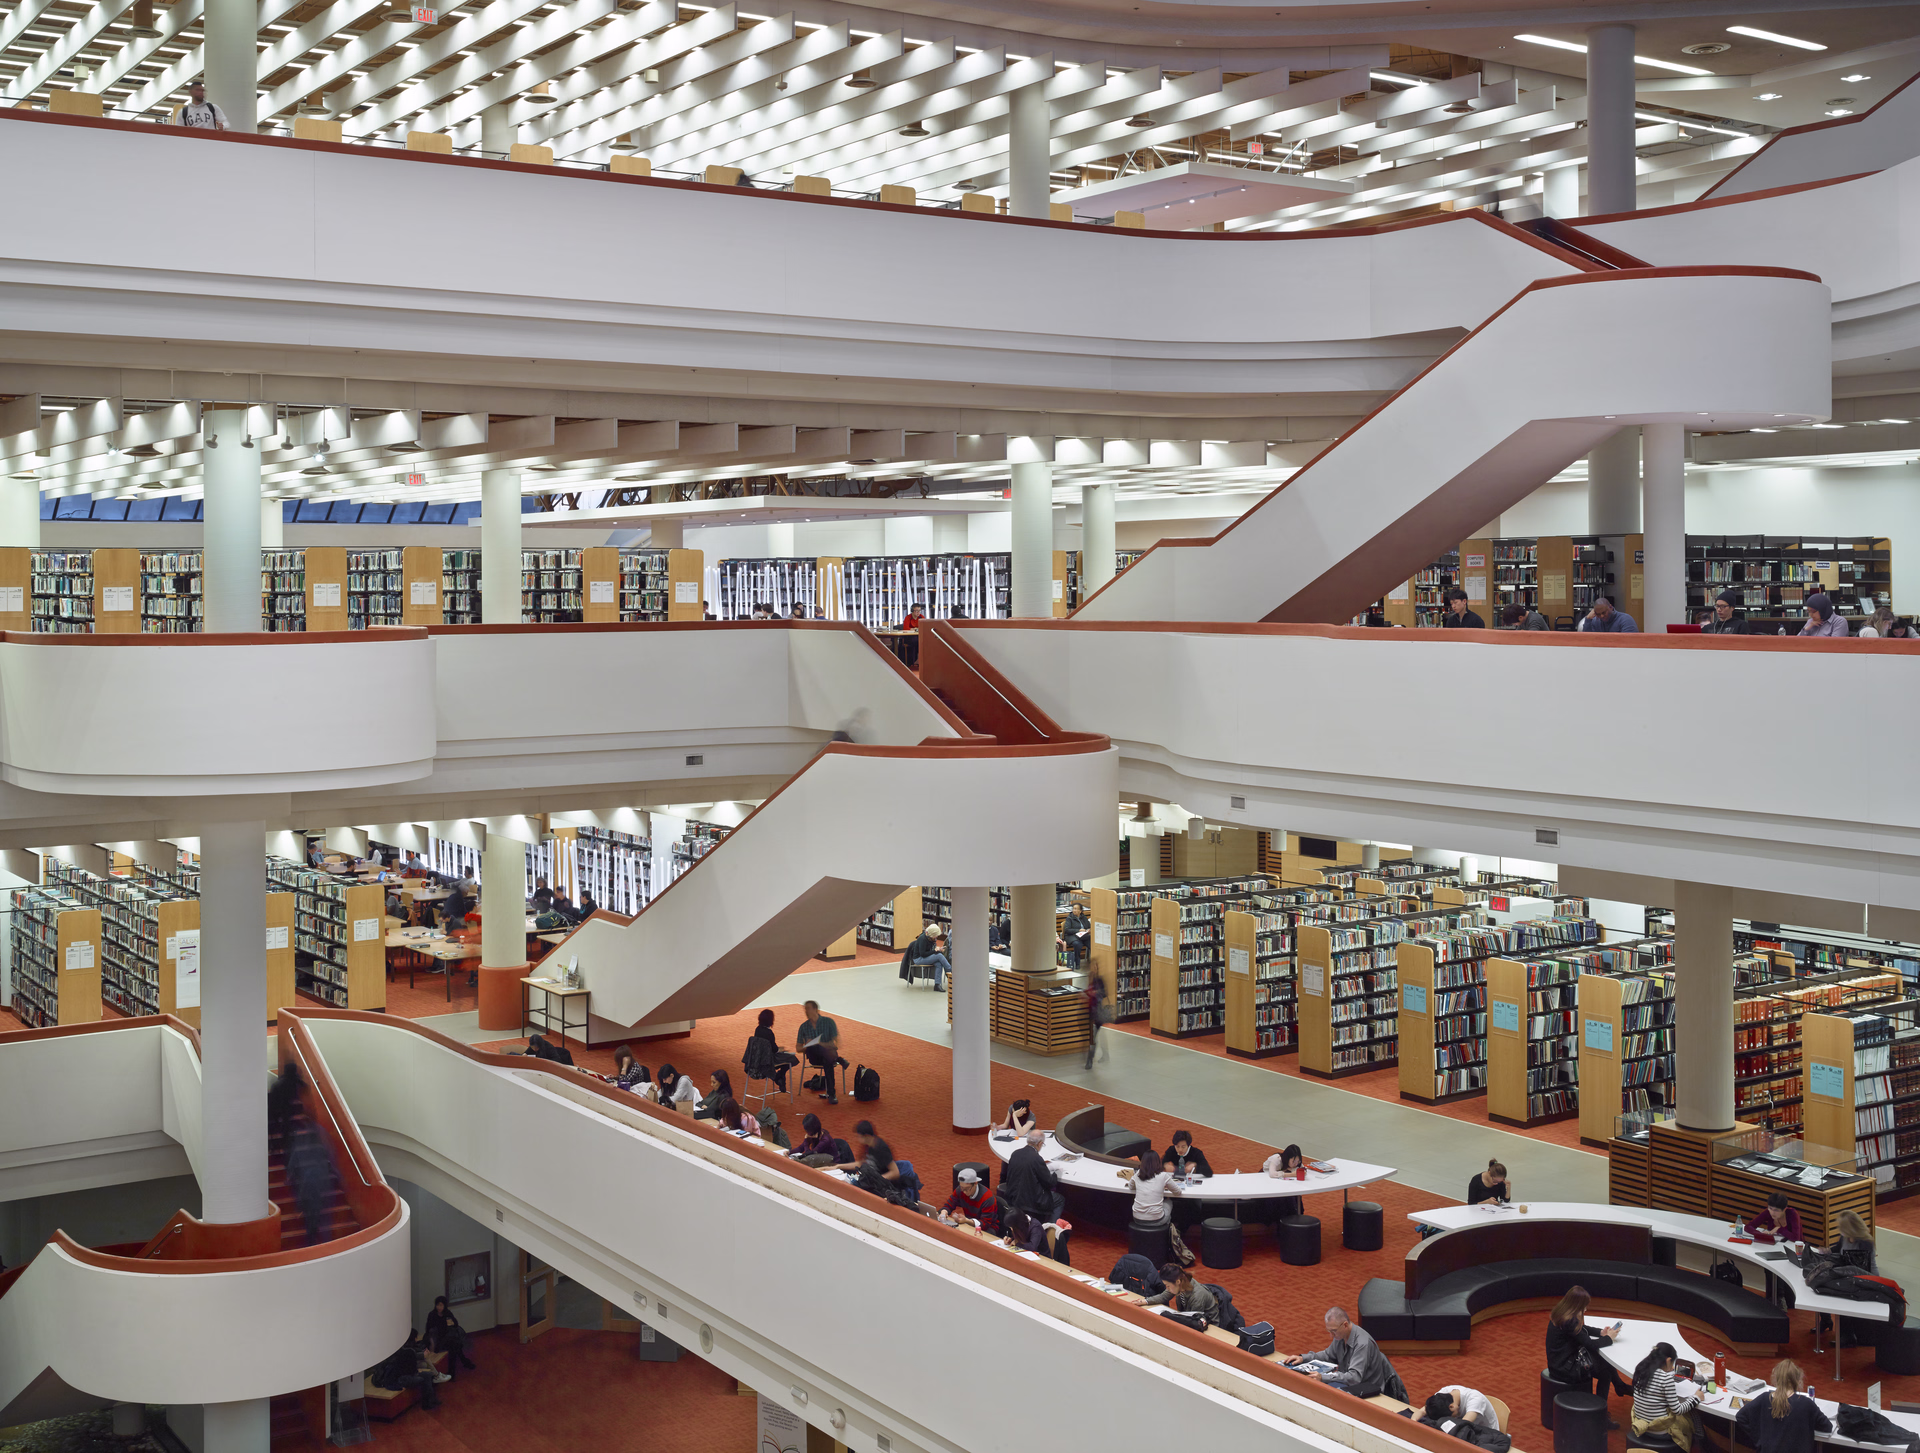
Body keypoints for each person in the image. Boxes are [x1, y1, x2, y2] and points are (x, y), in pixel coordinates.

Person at [1284, 1307, 1400, 1398]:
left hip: (1366, 1392)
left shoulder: (1362, 1344)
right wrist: (1303, 1358)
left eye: (1333, 1331)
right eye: (1329, 1331)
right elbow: (1327, 1355)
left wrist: (1323, 1377)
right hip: (1348, 1385)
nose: (1331, 1336)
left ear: (1345, 1325)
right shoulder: (1340, 1336)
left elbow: (1354, 1378)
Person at [1546, 1286, 1631, 1399]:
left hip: (1559, 1362)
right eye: (1583, 1306)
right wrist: (1609, 1338)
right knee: (1605, 1372)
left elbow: (1580, 1328)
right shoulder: (1569, 1321)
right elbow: (1591, 1345)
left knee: (1603, 1360)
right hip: (1564, 1369)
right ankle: (1602, 1407)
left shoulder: (1561, 1314)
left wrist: (1601, 1332)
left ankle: (1620, 1386)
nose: (1585, 1309)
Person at [1735, 1360, 1829, 1453]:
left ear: (1775, 1379)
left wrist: (1760, 1440)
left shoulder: (1765, 1398)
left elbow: (1741, 1416)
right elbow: (1827, 1426)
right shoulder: (1806, 1403)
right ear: (1798, 1380)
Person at [1630, 1341, 1698, 1450]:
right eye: (1672, 1363)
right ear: (1668, 1360)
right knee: (1689, 1420)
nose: (1672, 1368)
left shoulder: (1641, 1370)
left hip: (1640, 1424)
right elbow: (1677, 1410)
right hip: (1660, 1432)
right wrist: (1696, 1398)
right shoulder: (1666, 1379)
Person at [1002, 1127, 1063, 1222]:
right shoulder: (1036, 1158)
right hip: (1030, 1202)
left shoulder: (1015, 1153)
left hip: (1013, 1197)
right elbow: (1050, 1182)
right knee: (1059, 1199)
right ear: (1040, 1144)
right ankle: (1050, 1229)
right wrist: (1056, 1173)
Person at [370, 1332, 446, 1408]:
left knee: (428, 1375)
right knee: (422, 1378)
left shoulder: (405, 1352)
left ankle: (431, 1400)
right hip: (400, 1379)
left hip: (405, 1375)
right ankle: (427, 1404)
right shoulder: (401, 1354)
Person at [796, 1000, 847, 1104]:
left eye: (808, 1008)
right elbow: (798, 1048)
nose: (806, 1011)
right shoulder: (803, 1027)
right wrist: (808, 1045)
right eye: (805, 1009)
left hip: (828, 1055)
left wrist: (822, 1044)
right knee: (817, 1048)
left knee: (826, 1059)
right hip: (815, 1056)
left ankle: (831, 1093)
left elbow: (837, 1044)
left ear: (816, 1009)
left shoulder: (829, 1022)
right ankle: (838, 1060)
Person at [1119, 1148, 1176, 1230]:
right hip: (1157, 1219)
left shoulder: (1138, 1174)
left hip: (1137, 1218)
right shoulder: (1163, 1175)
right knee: (1169, 1202)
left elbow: (1131, 1186)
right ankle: (1167, 1232)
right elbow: (1177, 1191)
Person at [1144, 1263, 1220, 1324]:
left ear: (1177, 1282)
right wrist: (1145, 1301)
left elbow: (1193, 1321)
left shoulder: (1197, 1296)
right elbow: (1164, 1296)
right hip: (1191, 1318)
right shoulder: (1181, 1284)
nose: (1167, 1288)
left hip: (1210, 1326)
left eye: (1168, 1286)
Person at [940, 1167, 1003, 1234]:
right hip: (969, 1224)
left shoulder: (987, 1198)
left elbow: (985, 1224)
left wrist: (967, 1221)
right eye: (962, 1188)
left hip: (989, 1228)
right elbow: (949, 1204)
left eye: (967, 1189)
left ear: (975, 1183)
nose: (964, 1192)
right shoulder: (960, 1190)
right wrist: (944, 1212)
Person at [424, 1295, 476, 1375]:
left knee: (454, 1345)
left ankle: (453, 1371)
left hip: (447, 1337)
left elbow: (455, 1324)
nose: (439, 1307)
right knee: (455, 1345)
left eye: (441, 1305)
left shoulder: (447, 1313)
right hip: (437, 1339)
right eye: (438, 1305)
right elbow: (428, 1330)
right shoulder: (432, 1314)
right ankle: (464, 1363)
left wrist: (450, 1321)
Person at [750, 1008, 799, 1091]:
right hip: (769, 1059)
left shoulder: (757, 1029)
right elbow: (774, 1049)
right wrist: (780, 1050)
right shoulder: (769, 1033)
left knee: (786, 1058)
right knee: (792, 1058)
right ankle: (779, 1075)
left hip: (758, 1058)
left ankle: (779, 1078)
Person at [1428, 1386, 1502, 1432]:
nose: (1452, 1417)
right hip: (1469, 1430)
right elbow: (1424, 1410)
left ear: (1451, 1406)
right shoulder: (1445, 1392)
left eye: (1451, 1415)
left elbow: (1463, 1424)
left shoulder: (1475, 1398)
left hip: (1485, 1434)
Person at [1261, 1142, 1305, 1220]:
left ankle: (1295, 1215)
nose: (1296, 1164)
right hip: (1266, 1178)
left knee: (1293, 1193)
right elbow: (1272, 1174)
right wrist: (1291, 1174)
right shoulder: (1277, 1159)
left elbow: (1303, 1169)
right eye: (1293, 1161)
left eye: (1297, 1161)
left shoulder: (1297, 1163)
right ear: (1287, 1158)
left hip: (1280, 1180)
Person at [901, 926, 953, 991]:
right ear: (932, 934)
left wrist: (937, 949)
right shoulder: (922, 939)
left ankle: (937, 985)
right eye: (936, 935)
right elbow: (923, 954)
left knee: (939, 963)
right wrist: (935, 951)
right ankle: (950, 970)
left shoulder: (930, 938)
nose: (936, 937)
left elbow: (929, 950)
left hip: (924, 957)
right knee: (939, 956)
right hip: (918, 959)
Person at [1084, 978, 1111, 1069]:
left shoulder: (1099, 980)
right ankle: (1104, 1054)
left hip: (1097, 1014)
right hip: (1091, 1013)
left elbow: (1103, 993)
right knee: (1097, 1037)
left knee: (1094, 1038)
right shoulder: (1090, 980)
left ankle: (1089, 1060)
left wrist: (1094, 993)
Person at [1060, 903, 1092, 968]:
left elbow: (1088, 926)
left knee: (1092, 943)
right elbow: (1067, 930)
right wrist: (1078, 930)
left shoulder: (1084, 917)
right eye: (1073, 909)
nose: (1074, 910)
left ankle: (1093, 961)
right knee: (1077, 944)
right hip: (1072, 936)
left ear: (1080, 911)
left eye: (1076, 909)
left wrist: (1088, 930)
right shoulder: (1069, 918)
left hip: (1084, 936)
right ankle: (1077, 962)